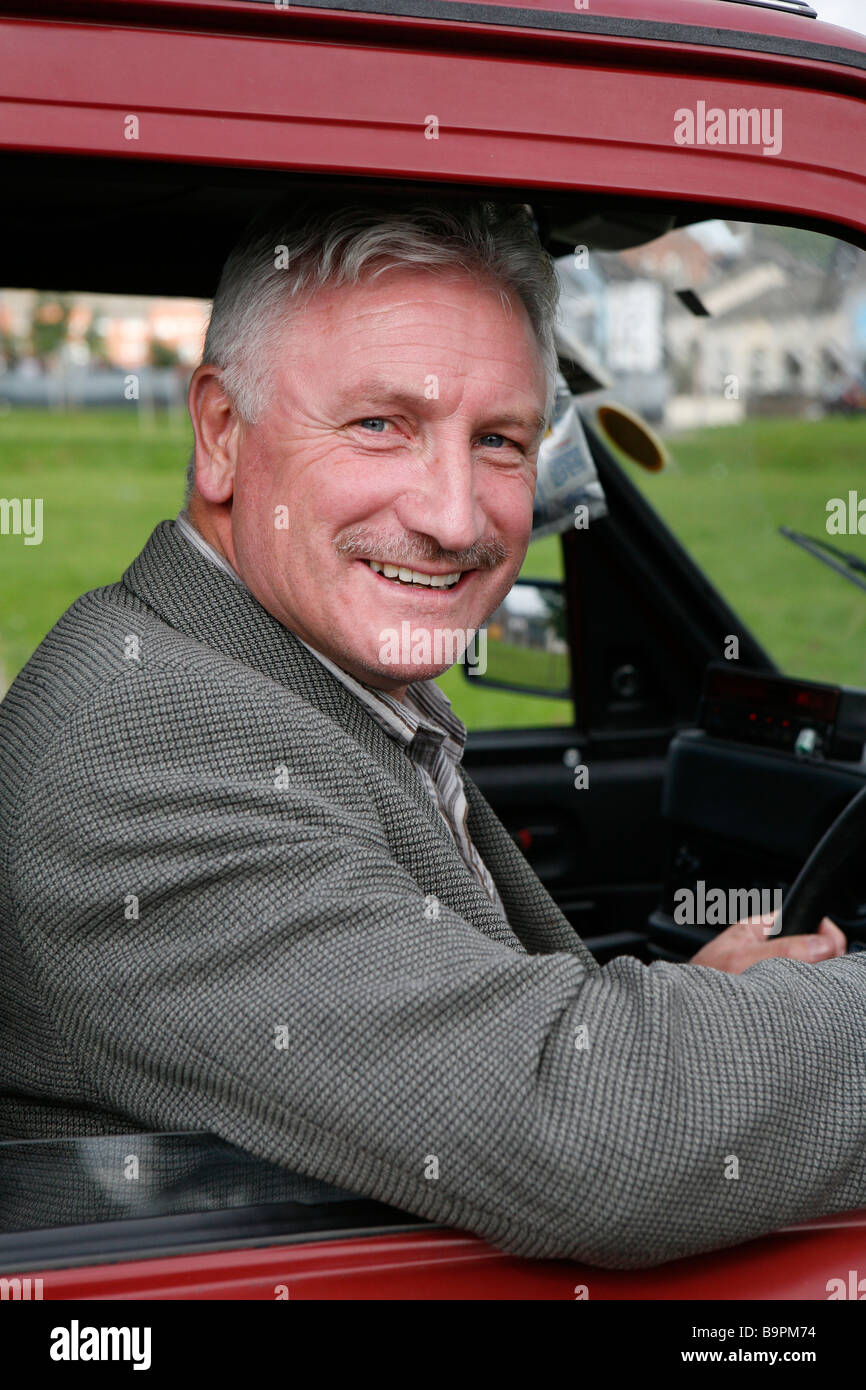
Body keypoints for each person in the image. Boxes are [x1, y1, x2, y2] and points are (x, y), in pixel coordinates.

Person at [0, 197, 862, 1269]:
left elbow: (448, 1026)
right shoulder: (145, 749)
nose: (456, 518)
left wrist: (702, 1008)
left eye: (498, 441)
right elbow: (590, 1135)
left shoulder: (282, 679)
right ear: (221, 433)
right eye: (380, 424)